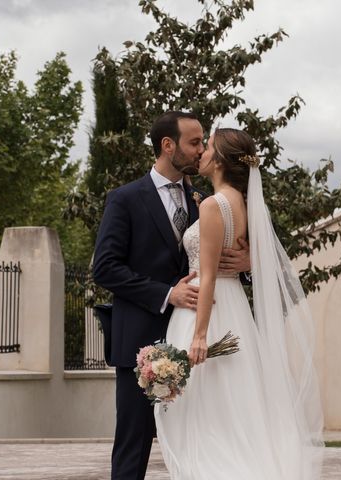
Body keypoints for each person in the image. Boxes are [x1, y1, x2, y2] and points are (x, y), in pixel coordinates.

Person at [154, 128, 324, 479]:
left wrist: (200, 336)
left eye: (208, 147)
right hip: (232, 307)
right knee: (228, 407)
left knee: (207, 413)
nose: (200, 153)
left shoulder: (216, 205)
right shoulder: (239, 203)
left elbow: (211, 275)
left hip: (210, 307)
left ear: (219, 160)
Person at [93, 112, 250, 480]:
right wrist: (167, 294)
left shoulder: (205, 199)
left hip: (198, 337)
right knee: (134, 441)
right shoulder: (125, 199)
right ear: (168, 145)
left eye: (202, 144)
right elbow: (105, 268)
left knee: (207, 433)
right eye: (194, 143)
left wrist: (247, 262)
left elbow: (222, 254)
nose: (200, 151)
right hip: (140, 340)